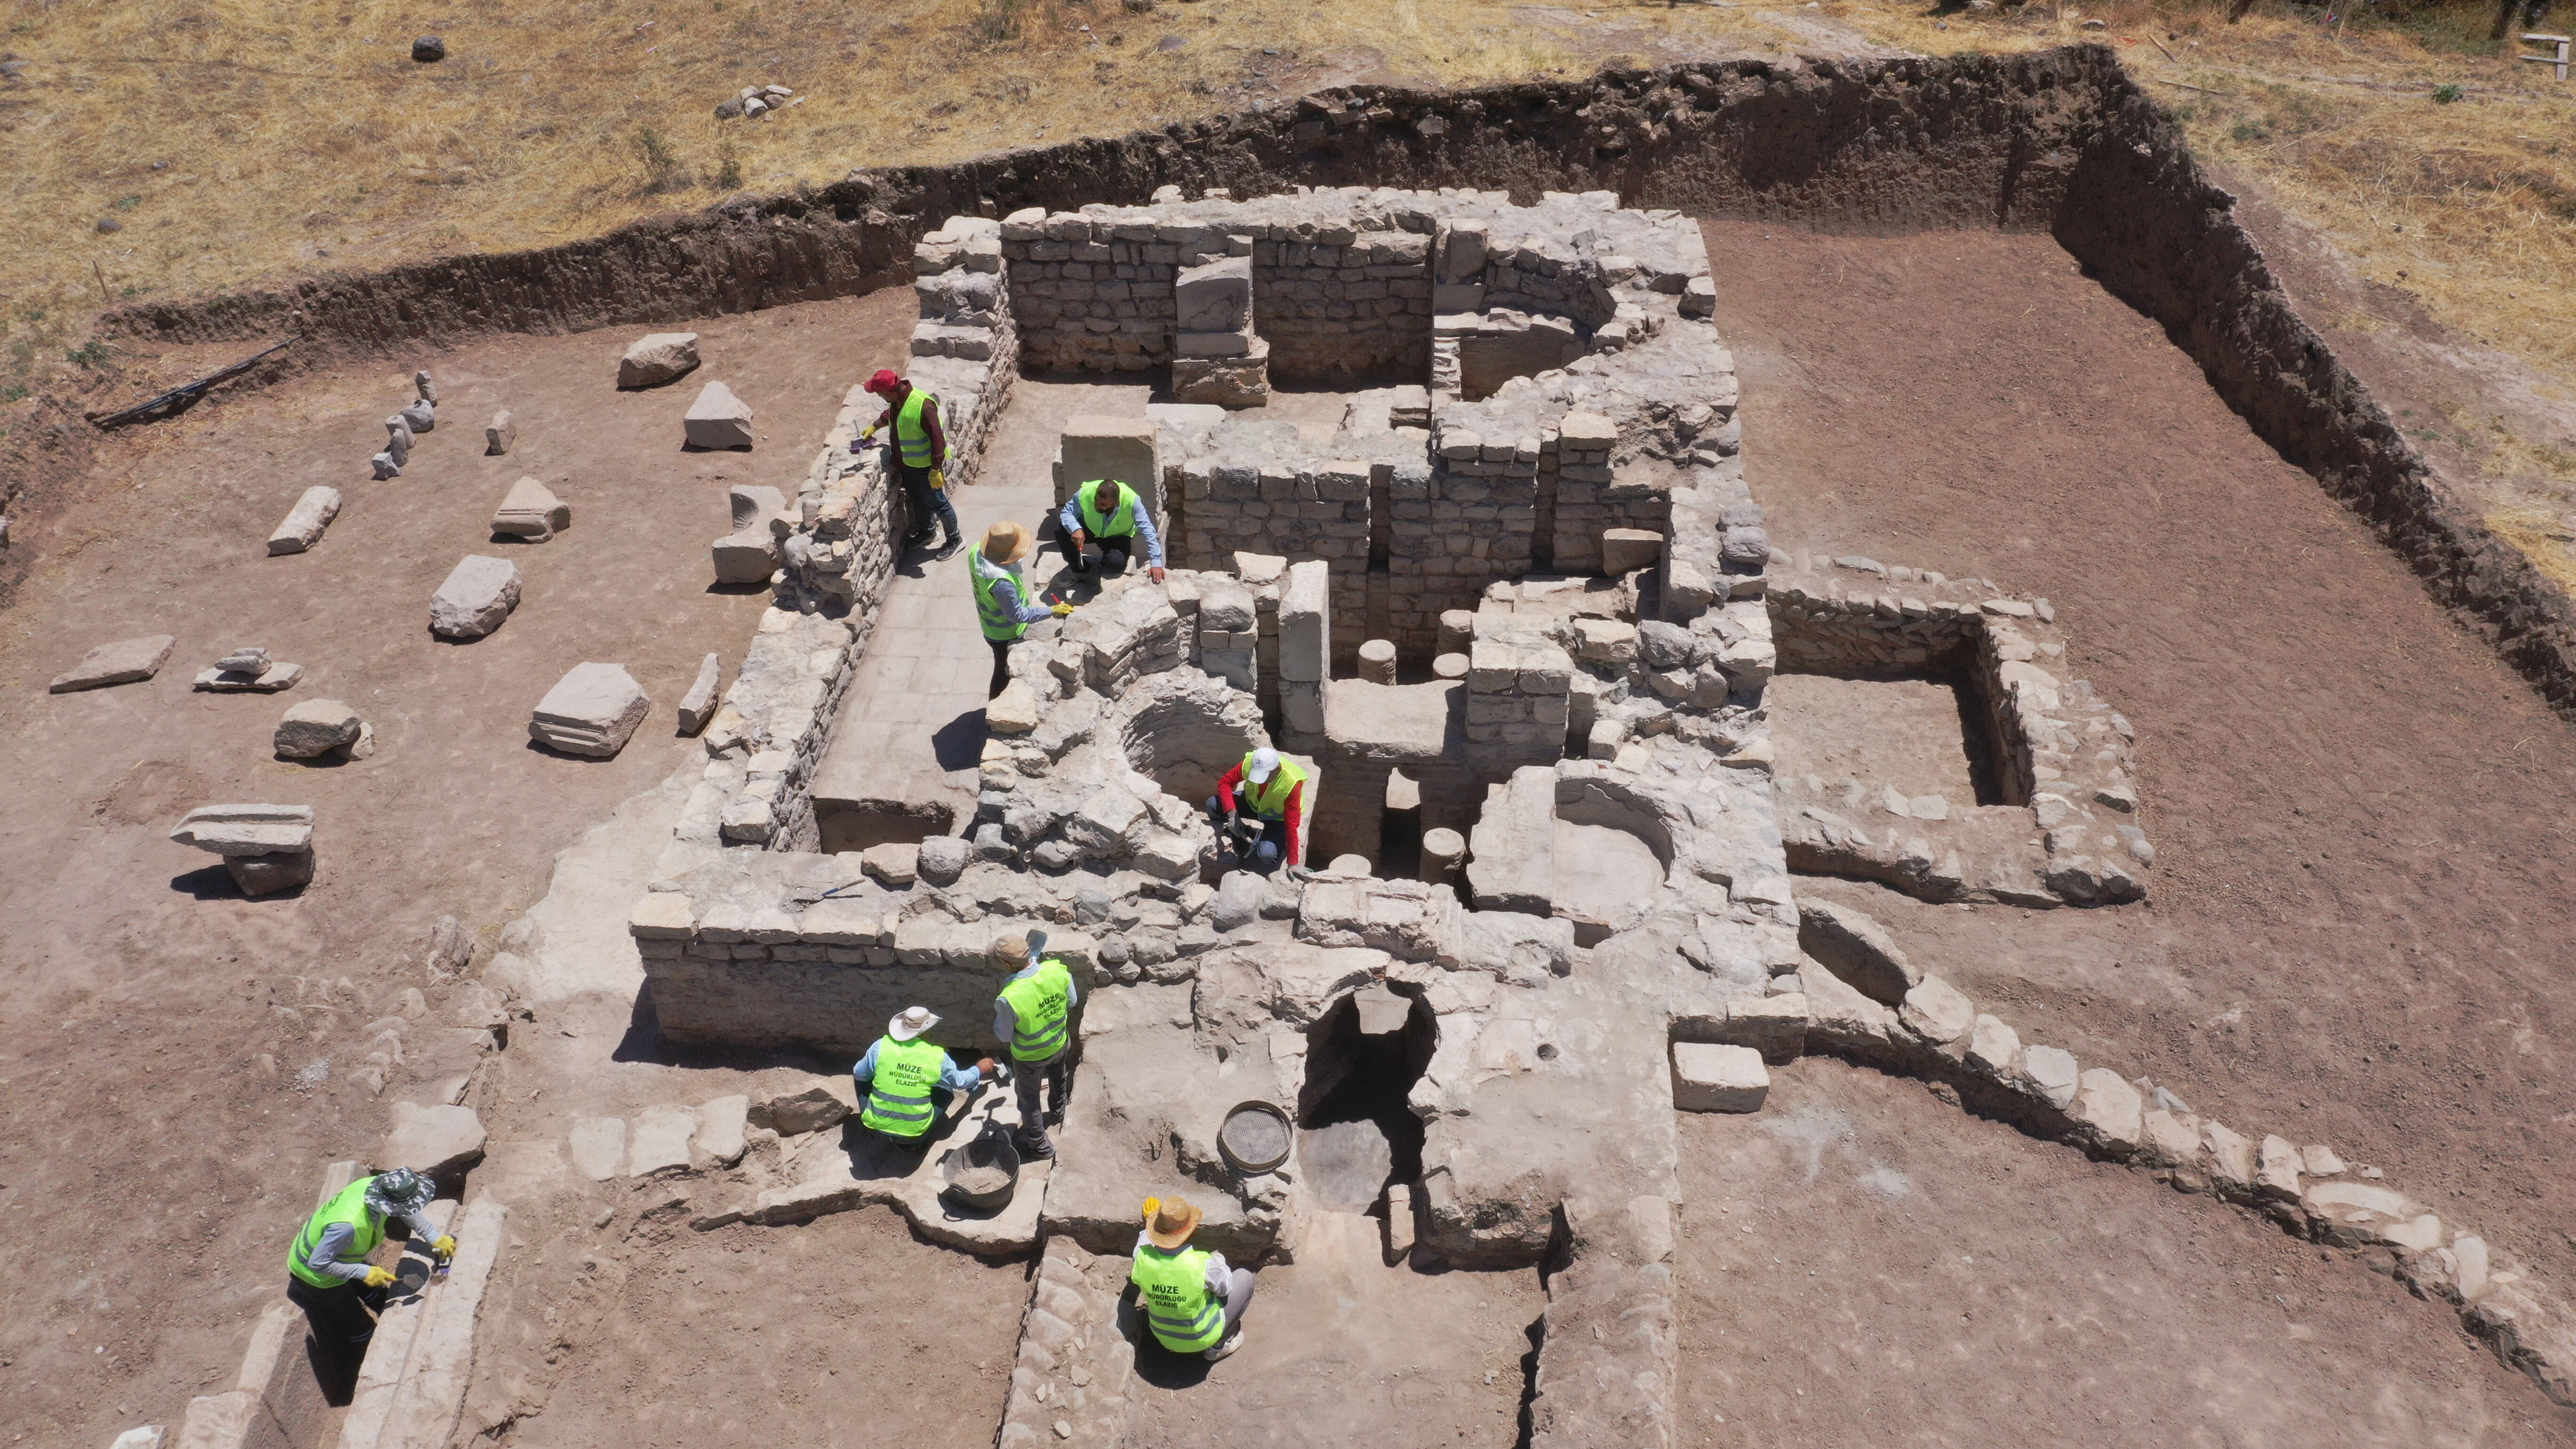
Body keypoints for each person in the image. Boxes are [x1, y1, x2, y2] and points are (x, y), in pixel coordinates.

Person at [285, 1167, 451, 1364]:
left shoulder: (376, 1187)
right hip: (314, 1274)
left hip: (342, 1254)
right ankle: (366, 1359)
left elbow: (405, 1208)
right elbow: (318, 1264)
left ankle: (381, 1309)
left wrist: (433, 1236)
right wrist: (364, 1271)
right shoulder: (347, 1227)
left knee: (376, 1294)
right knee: (360, 1326)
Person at [852, 369, 961, 560]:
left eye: (880, 393)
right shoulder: (898, 400)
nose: (879, 396)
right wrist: (875, 426)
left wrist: (935, 469)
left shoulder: (923, 405)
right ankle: (928, 532)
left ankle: (955, 540)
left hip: (927, 468)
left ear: (890, 392)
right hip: (909, 465)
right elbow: (893, 415)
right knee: (918, 499)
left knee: (938, 504)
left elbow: (937, 439)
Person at [1129, 1195, 1254, 1361]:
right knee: (1246, 1278)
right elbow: (1225, 1287)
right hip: (1203, 1336)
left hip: (1165, 1338)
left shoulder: (1141, 1259)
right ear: (1189, 1229)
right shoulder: (1200, 1264)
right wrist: (1219, 1260)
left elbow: (1141, 1246)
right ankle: (1218, 1347)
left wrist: (1152, 1221)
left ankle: (1177, 1349)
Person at [990, 931, 1077, 1161]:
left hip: (1029, 1058)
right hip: (1059, 1044)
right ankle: (1059, 1113)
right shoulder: (1057, 971)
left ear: (1008, 964)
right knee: (1059, 1078)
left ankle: (1041, 1148)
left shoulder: (1010, 997)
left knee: (1029, 1102)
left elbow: (1005, 1036)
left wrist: (1000, 1020)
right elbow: (1072, 1002)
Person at [853, 1006, 994, 1147]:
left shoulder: (881, 1046)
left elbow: (859, 1074)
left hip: (875, 1127)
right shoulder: (936, 1056)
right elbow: (961, 1082)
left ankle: (870, 1113)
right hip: (914, 1135)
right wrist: (979, 1069)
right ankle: (917, 1144)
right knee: (946, 1089)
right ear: (926, 1031)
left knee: (863, 1075)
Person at [972, 520, 1074, 699]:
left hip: (989, 623)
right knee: (1003, 671)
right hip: (1004, 633)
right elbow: (1016, 614)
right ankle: (995, 708)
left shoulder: (976, 552)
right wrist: (1053, 610)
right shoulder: (1002, 583)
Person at [1204, 746, 1307, 875]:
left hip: (1276, 818)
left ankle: (1274, 840)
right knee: (1212, 805)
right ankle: (1243, 833)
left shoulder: (1291, 782)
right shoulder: (1252, 763)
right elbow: (1225, 783)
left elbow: (1291, 825)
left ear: (1278, 769)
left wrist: (1293, 863)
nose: (1262, 781)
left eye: (1266, 776)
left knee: (1267, 856)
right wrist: (1232, 814)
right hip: (1253, 804)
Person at [1055, 477, 1167, 583]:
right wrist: (1077, 529)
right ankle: (1079, 570)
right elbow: (1067, 512)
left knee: (1115, 566)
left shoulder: (1132, 501)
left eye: (1103, 504)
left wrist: (1156, 562)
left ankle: (1104, 564)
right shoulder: (1085, 493)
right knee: (1062, 531)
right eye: (1096, 501)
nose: (1097, 506)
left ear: (1116, 502)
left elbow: (1147, 530)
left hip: (1118, 536)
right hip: (1091, 528)